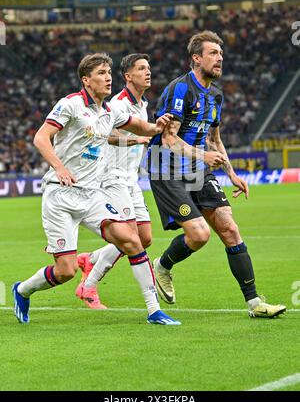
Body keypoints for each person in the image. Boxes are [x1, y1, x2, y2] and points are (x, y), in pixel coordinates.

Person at [12, 52, 180, 326]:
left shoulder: (109, 111)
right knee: (65, 271)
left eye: (109, 73)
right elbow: (41, 137)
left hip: (92, 196)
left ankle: (154, 311)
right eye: (101, 73)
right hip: (61, 196)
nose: (107, 78)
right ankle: (22, 290)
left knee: (132, 240)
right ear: (86, 80)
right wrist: (59, 167)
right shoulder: (71, 104)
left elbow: (136, 125)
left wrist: (154, 128)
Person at [148, 31, 286, 318]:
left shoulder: (216, 95)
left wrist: (231, 172)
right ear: (196, 58)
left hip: (199, 169)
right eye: (213, 53)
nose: (220, 58)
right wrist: (204, 156)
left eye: (221, 54)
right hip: (167, 170)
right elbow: (169, 140)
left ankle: (255, 304)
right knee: (199, 236)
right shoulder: (181, 89)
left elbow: (214, 139)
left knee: (230, 229)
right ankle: (162, 265)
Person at [75, 53, 153, 309]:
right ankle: (88, 286)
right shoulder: (117, 103)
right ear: (128, 76)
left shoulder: (143, 104)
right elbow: (107, 135)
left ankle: (92, 258)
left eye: (148, 68)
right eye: (142, 68)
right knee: (130, 237)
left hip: (131, 179)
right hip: (112, 177)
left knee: (145, 238)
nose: (148, 72)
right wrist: (135, 138)